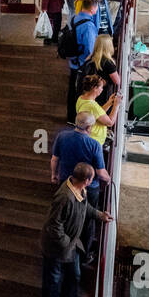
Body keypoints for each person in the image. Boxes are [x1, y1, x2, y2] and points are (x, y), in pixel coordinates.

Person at [40, 162, 110, 297]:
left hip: (71, 244)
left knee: (74, 275)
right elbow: (54, 226)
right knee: (54, 279)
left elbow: (85, 208)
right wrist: (66, 243)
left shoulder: (80, 189)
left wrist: (100, 215)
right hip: (56, 247)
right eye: (92, 178)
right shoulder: (64, 197)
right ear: (87, 180)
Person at [51, 113, 112, 267]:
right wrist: (109, 179)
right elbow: (100, 173)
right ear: (90, 127)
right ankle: (84, 254)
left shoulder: (62, 136)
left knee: (66, 217)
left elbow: (54, 159)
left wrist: (54, 175)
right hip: (88, 188)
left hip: (66, 182)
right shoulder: (94, 144)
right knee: (87, 221)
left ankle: (67, 246)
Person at [65, 0, 99, 123]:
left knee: (71, 90)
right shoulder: (89, 25)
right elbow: (90, 49)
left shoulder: (74, 18)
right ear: (92, 8)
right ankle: (77, 119)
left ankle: (70, 116)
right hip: (82, 63)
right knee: (80, 92)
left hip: (73, 60)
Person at [87, 34, 120, 100]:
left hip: (90, 93)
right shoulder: (108, 62)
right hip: (103, 95)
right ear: (109, 46)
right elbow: (117, 81)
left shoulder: (91, 58)